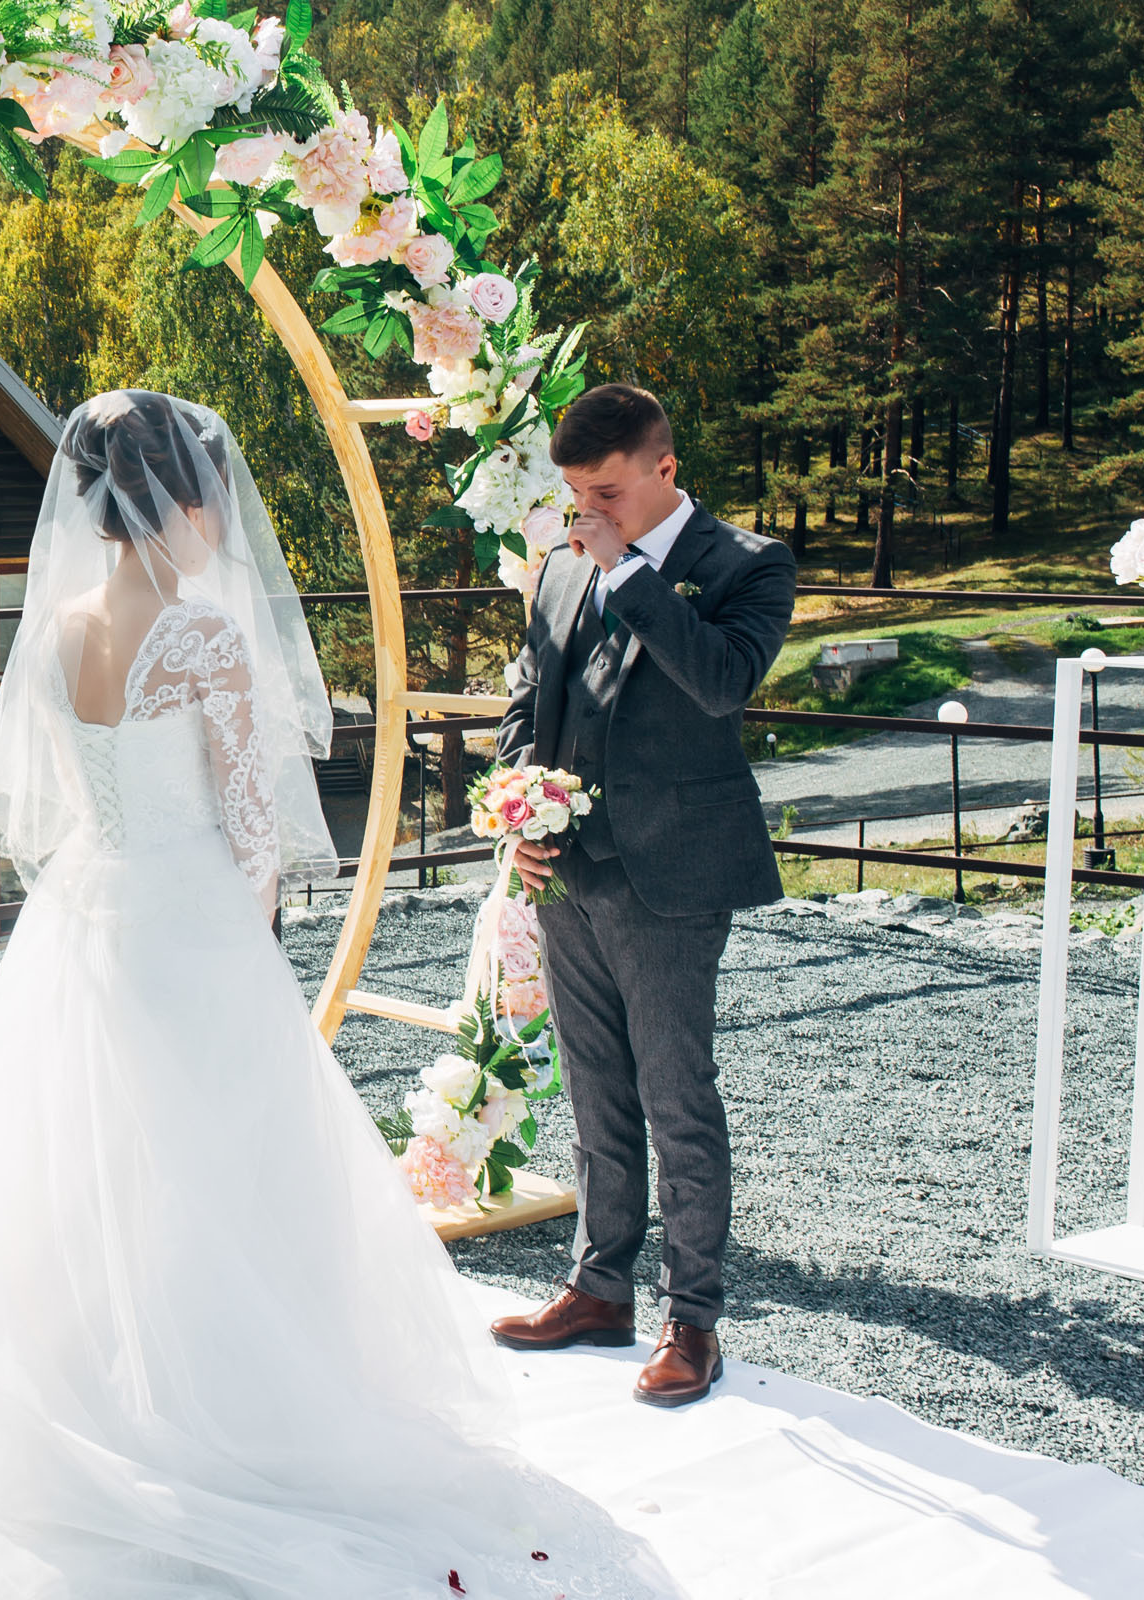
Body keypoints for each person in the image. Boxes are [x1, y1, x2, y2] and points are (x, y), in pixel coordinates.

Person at [0, 391, 682, 1597]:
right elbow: (257, 830)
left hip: (83, 917)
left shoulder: (51, 626)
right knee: (222, 1170)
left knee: (76, 1175)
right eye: (207, 495)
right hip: (186, 916)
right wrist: (250, 916)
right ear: (175, 500)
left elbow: (43, 812)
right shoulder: (200, 635)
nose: (216, 517)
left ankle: (75, 1401)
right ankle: (219, 1415)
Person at [490, 383, 795, 1408]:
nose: (588, 513)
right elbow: (530, 697)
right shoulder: (562, 568)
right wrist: (518, 811)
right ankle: (599, 1285)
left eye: (608, 492)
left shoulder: (746, 566)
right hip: (570, 871)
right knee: (595, 1094)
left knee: (677, 1099)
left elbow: (721, 682)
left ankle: (692, 1321)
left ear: (664, 470)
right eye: (577, 494)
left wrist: (632, 573)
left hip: (676, 873)